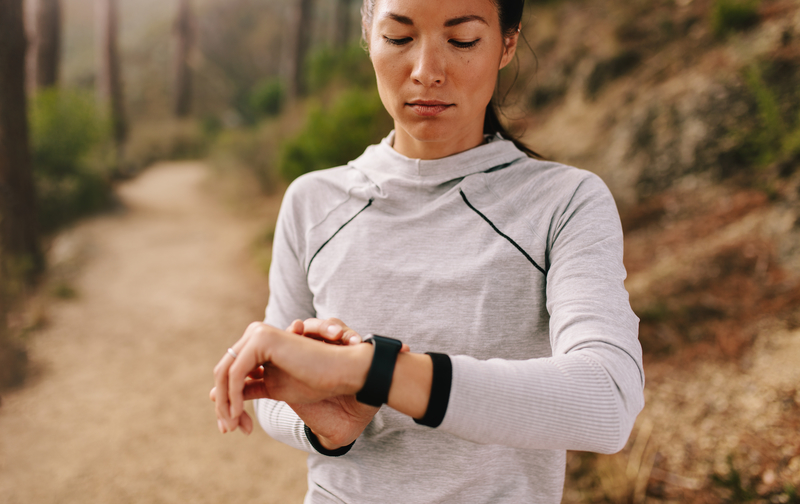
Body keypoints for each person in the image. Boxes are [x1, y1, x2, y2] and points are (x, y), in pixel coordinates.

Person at [211, 0, 644, 502]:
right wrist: (325, 423)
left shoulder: (562, 202)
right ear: (368, 34)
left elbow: (608, 400)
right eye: (399, 38)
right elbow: (273, 392)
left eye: (461, 41)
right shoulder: (312, 202)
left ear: (507, 43)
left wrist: (375, 371)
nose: (426, 72)